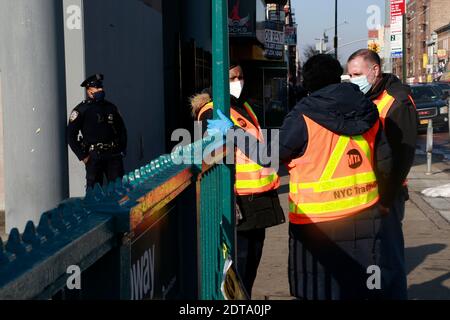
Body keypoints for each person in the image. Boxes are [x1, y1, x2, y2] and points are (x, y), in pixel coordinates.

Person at [208, 54, 393, 300]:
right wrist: (386, 200)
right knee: (365, 286)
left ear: (308, 83)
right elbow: (385, 161)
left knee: (319, 288)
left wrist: (232, 132)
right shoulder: (368, 109)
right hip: (365, 213)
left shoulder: (302, 116)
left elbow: (267, 156)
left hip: (317, 223)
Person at [190, 62, 285, 298]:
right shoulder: (212, 111)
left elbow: (259, 151)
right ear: (219, 81)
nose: (238, 82)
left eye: (240, 76)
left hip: (258, 199)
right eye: (232, 77)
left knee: (251, 265)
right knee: (238, 268)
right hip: (237, 201)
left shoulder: (243, 107)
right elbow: (212, 157)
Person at [347, 49, 418, 300]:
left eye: (356, 74)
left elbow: (403, 156)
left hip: (387, 195)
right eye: (350, 74)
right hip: (367, 192)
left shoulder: (397, 101)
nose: (353, 78)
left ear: (374, 70)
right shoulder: (368, 97)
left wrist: (387, 199)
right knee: (373, 255)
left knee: (389, 256)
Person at [67, 74, 127, 189]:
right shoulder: (81, 110)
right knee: (94, 192)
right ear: (89, 91)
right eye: (97, 87)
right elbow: (71, 136)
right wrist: (83, 156)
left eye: (101, 87)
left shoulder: (111, 107)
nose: (101, 90)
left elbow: (122, 129)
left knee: (118, 191)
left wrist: (122, 149)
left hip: (113, 155)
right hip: (94, 157)